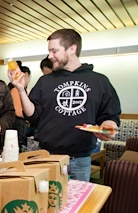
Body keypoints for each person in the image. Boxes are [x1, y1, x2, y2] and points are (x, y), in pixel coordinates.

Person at [9, 29, 121, 182]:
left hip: (79, 160)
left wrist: (108, 128)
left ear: (72, 49)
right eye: (49, 51)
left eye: (54, 51)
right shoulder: (45, 81)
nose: (50, 56)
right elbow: (34, 116)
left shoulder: (99, 81)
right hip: (47, 157)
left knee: (79, 204)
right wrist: (21, 90)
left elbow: (109, 116)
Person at [8, 64, 31, 152]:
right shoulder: (15, 89)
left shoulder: (18, 89)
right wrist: (31, 117)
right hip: (16, 125)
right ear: (25, 75)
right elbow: (18, 112)